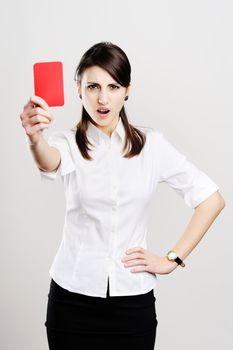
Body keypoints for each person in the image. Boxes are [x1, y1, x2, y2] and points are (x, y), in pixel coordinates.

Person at [19, 41, 225, 350]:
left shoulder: (151, 145)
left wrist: (172, 259)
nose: (103, 98)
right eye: (93, 86)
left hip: (133, 304)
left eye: (113, 86)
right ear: (78, 88)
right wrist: (35, 139)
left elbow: (211, 199)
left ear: (127, 90)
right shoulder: (67, 144)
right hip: (71, 301)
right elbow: (49, 160)